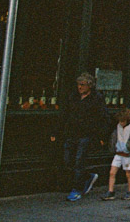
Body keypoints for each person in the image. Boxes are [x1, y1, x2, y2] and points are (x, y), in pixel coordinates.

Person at [52, 73, 109, 202]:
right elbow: (64, 114)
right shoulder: (73, 97)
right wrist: (56, 131)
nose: (79, 87)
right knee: (68, 160)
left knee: (79, 161)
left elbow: (103, 117)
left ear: (89, 85)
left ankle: (77, 190)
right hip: (71, 133)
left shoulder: (97, 98)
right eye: (78, 84)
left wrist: (101, 136)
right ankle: (87, 177)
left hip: (86, 135)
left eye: (82, 85)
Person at [101, 107, 130, 201]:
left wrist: (128, 147)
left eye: (123, 121)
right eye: (120, 121)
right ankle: (110, 191)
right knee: (112, 172)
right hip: (119, 153)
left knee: (128, 174)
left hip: (127, 155)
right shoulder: (118, 127)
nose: (121, 123)